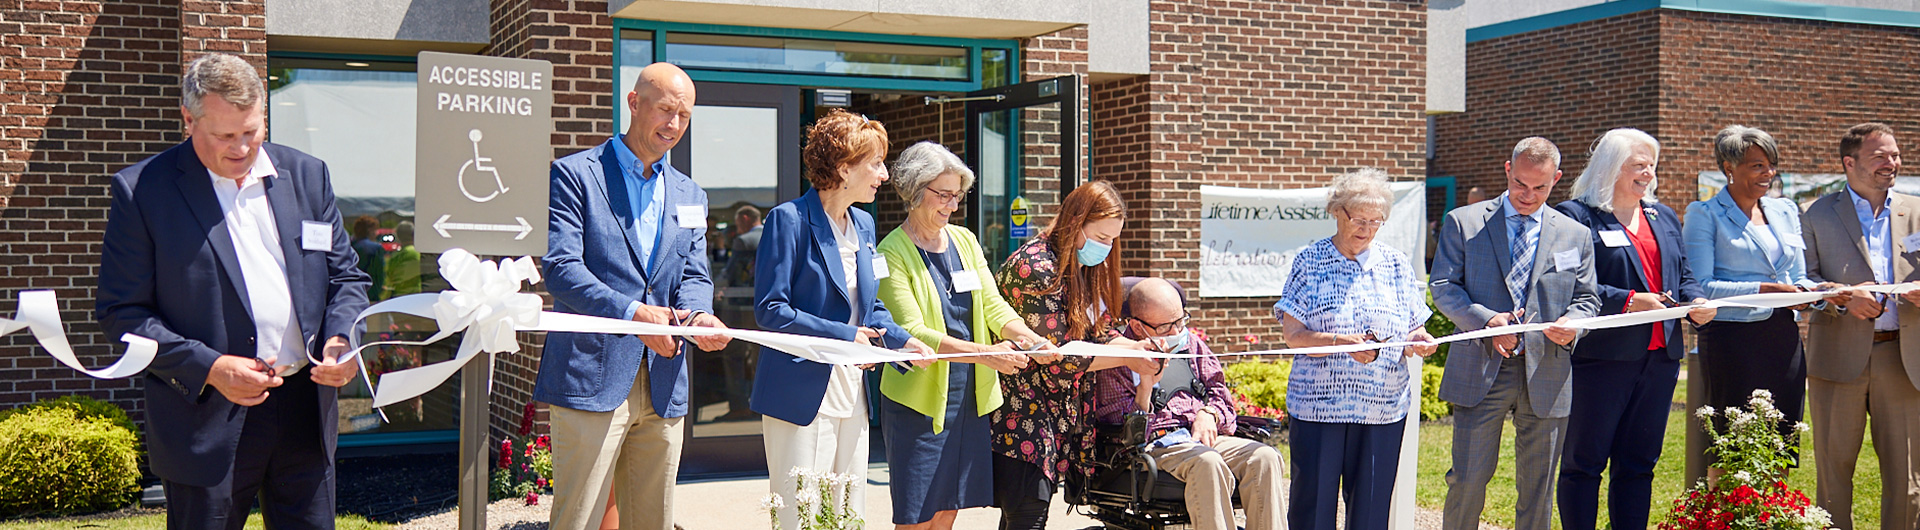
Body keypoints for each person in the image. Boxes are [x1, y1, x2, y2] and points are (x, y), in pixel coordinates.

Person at [95, 52, 371, 529]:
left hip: (305, 407)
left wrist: (342, 339)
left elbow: (346, 277)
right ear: (188, 119)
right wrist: (213, 368)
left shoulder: (308, 175)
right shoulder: (143, 191)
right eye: (225, 136)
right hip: (205, 418)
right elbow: (123, 313)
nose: (243, 148)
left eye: (252, 130)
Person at [537, 62, 733, 530]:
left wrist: (700, 316)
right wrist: (634, 315)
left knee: (653, 522)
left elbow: (693, 273)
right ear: (633, 103)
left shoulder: (690, 193)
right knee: (578, 521)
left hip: (664, 379)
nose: (674, 125)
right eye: (665, 110)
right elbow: (561, 270)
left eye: (684, 116)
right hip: (592, 374)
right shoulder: (574, 175)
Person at [751, 109, 936, 530]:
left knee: (849, 509)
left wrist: (902, 341)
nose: (884, 175)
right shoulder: (789, 220)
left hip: (851, 389)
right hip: (799, 390)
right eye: (874, 163)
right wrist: (849, 336)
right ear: (843, 168)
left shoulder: (865, 225)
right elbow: (771, 311)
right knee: (801, 514)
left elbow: (869, 309)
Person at [874, 142, 1052, 530]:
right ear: (914, 189)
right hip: (919, 404)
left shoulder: (965, 240)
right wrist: (987, 354)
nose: (952, 206)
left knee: (948, 509)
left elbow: (993, 306)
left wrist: (1030, 339)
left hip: (968, 399)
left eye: (957, 196)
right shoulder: (891, 253)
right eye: (943, 195)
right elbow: (913, 332)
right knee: (917, 515)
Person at [1432, 137, 1598, 530]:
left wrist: (1573, 326)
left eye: (1540, 187)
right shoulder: (1465, 222)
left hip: (1548, 371)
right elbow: (1443, 286)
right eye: (1520, 184)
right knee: (1468, 479)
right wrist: (1487, 322)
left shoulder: (1575, 234)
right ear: (1508, 170)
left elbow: (1588, 299)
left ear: (1556, 179)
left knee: (1538, 488)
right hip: (1481, 366)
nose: (1528, 195)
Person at [1552, 129, 1715, 530]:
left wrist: (1696, 302)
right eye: (1637, 164)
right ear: (1610, 167)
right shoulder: (1575, 216)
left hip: (1660, 361)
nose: (1648, 172)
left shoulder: (1663, 216)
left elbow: (1684, 275)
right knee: (1584, 464)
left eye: (1651, 165)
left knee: (1640, 464)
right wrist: (1627, 300)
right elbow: (1566, 279)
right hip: (1602, 360)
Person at [1273, 168, 1439, 530]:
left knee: (1371, 513)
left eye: (1375, 221)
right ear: (1337, 211)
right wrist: (1340, 344)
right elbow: (1294, 335)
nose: (1366, 228)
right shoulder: (1310, 261)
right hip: (1319, 409)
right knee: (1312, 511)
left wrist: (1419, 340)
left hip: (1382, 409)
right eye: (1358, 219)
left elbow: (1413, 326)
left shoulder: (1396, 264)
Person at [991, 180, 1155, 530]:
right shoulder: (1035, 268)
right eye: (1100, 238)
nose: (1106, 248)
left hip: (1054, 415)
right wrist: (1130, 358)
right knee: (1027, 517)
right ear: (1074, 222)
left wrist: (1141, 348)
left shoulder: (1079, 267)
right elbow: (1060, 357)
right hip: (1019, 414)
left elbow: (1101, 333)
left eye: (1112, 240)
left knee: (1025, 518)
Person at [1089, 277, 1285, 530]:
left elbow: (1220, 394)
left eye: (1181, 321)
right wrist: (1145, 388)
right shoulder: (1118, 358)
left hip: (1199, 435)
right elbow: (1124, 435)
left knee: (1264, 457)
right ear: (1138, 327)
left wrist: (1209, 413)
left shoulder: (1191, 344)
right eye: (1167, 327)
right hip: (1155, 443)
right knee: (1207, 462)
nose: (1177, 332)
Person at [1681, 125, 1821, 479]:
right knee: (1732, 448)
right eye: (1757, 165)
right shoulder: (1704, 214)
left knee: (1781, 445)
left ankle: (1775, 515)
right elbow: (1702, 286)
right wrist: (1767, 291)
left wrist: (1807, 293)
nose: (1768, 173)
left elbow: (1799, 274)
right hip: (1732, 341)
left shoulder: (1786, 210)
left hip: (1784, 340)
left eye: (1771, 165)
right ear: (1729, 167)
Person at [1800, 122, 1920, 530]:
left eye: (1895, 154)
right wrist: (1844, 297)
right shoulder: (1816, 213)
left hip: (1904, 359)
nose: (1892, 163)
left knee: (1908, 481)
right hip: (1837, 359)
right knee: (1833, 478)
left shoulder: (1917, 210)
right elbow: (1804, 282)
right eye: (1880, 156)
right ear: (1849, 163)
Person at [714, 203, 764, 422]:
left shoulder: (744, 241)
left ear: (744, 218)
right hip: (766, 308)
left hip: (742, 308)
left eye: (737, 223)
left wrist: (714, 288)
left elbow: (730, 272)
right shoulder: (773, 235)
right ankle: (762, 405)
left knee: (733, 355)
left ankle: (739, 406)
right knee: (759, 356)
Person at [350, 215, 386, 301]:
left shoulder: (349, 246)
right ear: (370, 230)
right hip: (370, 292)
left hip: (351, 291)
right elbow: (379, 274)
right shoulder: (376, 248)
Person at [385, 221, 420, 296]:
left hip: (399, 295)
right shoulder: (418, 253)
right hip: (416, 295)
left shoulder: (395, 256)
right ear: (413, 234)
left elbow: (389, 277)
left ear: (398, 236)